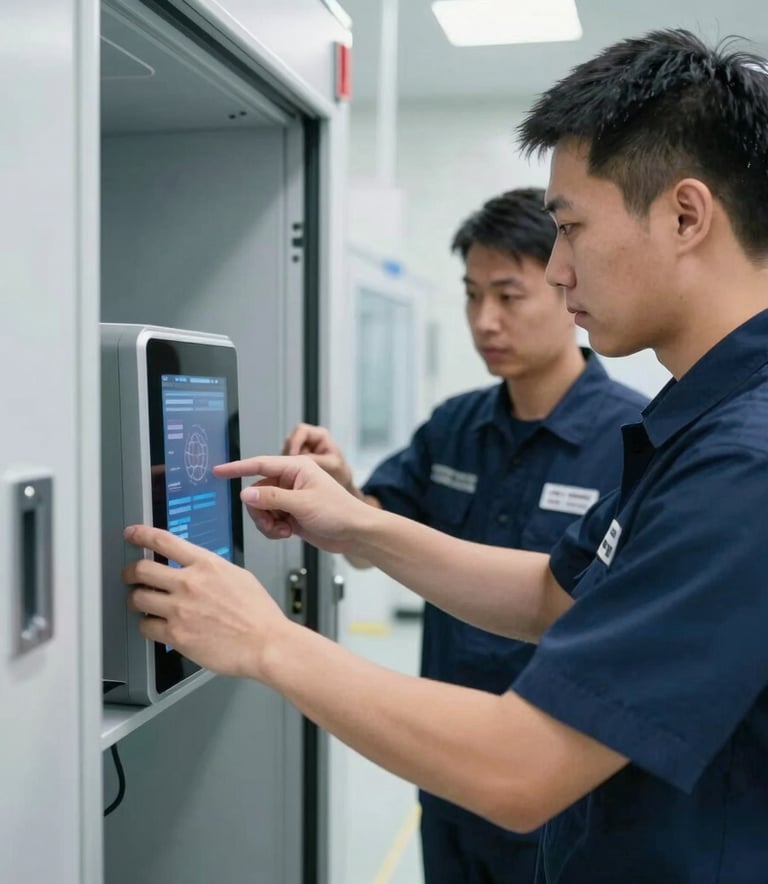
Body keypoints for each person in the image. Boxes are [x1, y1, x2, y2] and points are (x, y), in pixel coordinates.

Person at [123, 30, 768, 883]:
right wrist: (360, 526)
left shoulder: (743, 463)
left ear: (686, 215)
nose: (561, 269)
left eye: (570, 229)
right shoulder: (696, 422)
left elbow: (521, 767)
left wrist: (266, 641)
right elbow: (554, 594)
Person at [282, 187, 646, 884]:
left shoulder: (634, 440)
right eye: (472, 295)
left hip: (561, 793)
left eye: (508, 296)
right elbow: (367, 536)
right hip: (444, 772)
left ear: (567, 284)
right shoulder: (454, 425)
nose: (485, 321)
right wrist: (338, 488)